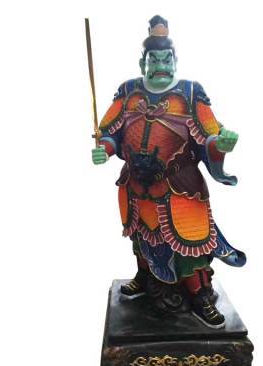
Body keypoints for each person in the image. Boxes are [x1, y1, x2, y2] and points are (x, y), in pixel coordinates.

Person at [92, 15, 246, 328]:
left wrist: (222, 143)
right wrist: (104, 149)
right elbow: (110, 132)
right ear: (143, 62)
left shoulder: (190, 93)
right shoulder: (128, 92)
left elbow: (211, 134)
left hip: (179, 186)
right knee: (141, 235)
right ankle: (144, 276)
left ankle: (200, 296)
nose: (160, 65)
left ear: (175, 60)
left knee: (190, 243)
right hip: (137, 183)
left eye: (166, 59)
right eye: (154, 59)